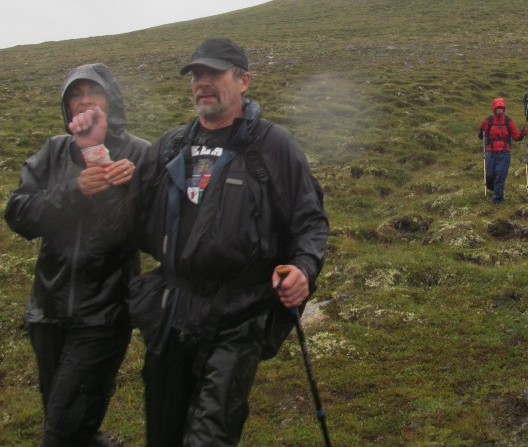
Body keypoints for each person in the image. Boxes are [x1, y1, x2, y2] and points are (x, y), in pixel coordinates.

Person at [130, 38, 329, 447]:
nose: (202, 82)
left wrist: (303, 268)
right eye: (196, 75)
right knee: (163, 434)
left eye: (214, 73)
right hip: (171, 311)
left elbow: (310, 221)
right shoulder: (170, 146)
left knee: (211, 435)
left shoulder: (273, 146)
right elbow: (131, 219)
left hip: (238, 315)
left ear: (243, 81)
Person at [4, 63, 149, 447]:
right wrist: (73, 191)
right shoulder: (54, 151)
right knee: (65, 416)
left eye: (94, 92)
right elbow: (18, 214)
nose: (84, 101)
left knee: (61, 429)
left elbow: (145, 231)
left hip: (104, 312)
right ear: (66, 106)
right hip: (47, 309)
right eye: (75, 94)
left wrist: (128, 185)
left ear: (110, 100)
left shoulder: (138, 154)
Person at [478, 97, 527, 204]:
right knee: (489, 175)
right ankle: (495, 189)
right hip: (490, 152)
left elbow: (515, 136)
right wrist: (481, 132)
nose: (500, 110)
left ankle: (498, 201)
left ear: (504, 109)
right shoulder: (489, 120)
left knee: (500, 175)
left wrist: (522, 135)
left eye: (501, 108)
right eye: (498, 108)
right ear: (494, 108)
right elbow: (481, 134)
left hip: (504, 152)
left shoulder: (508, 121)